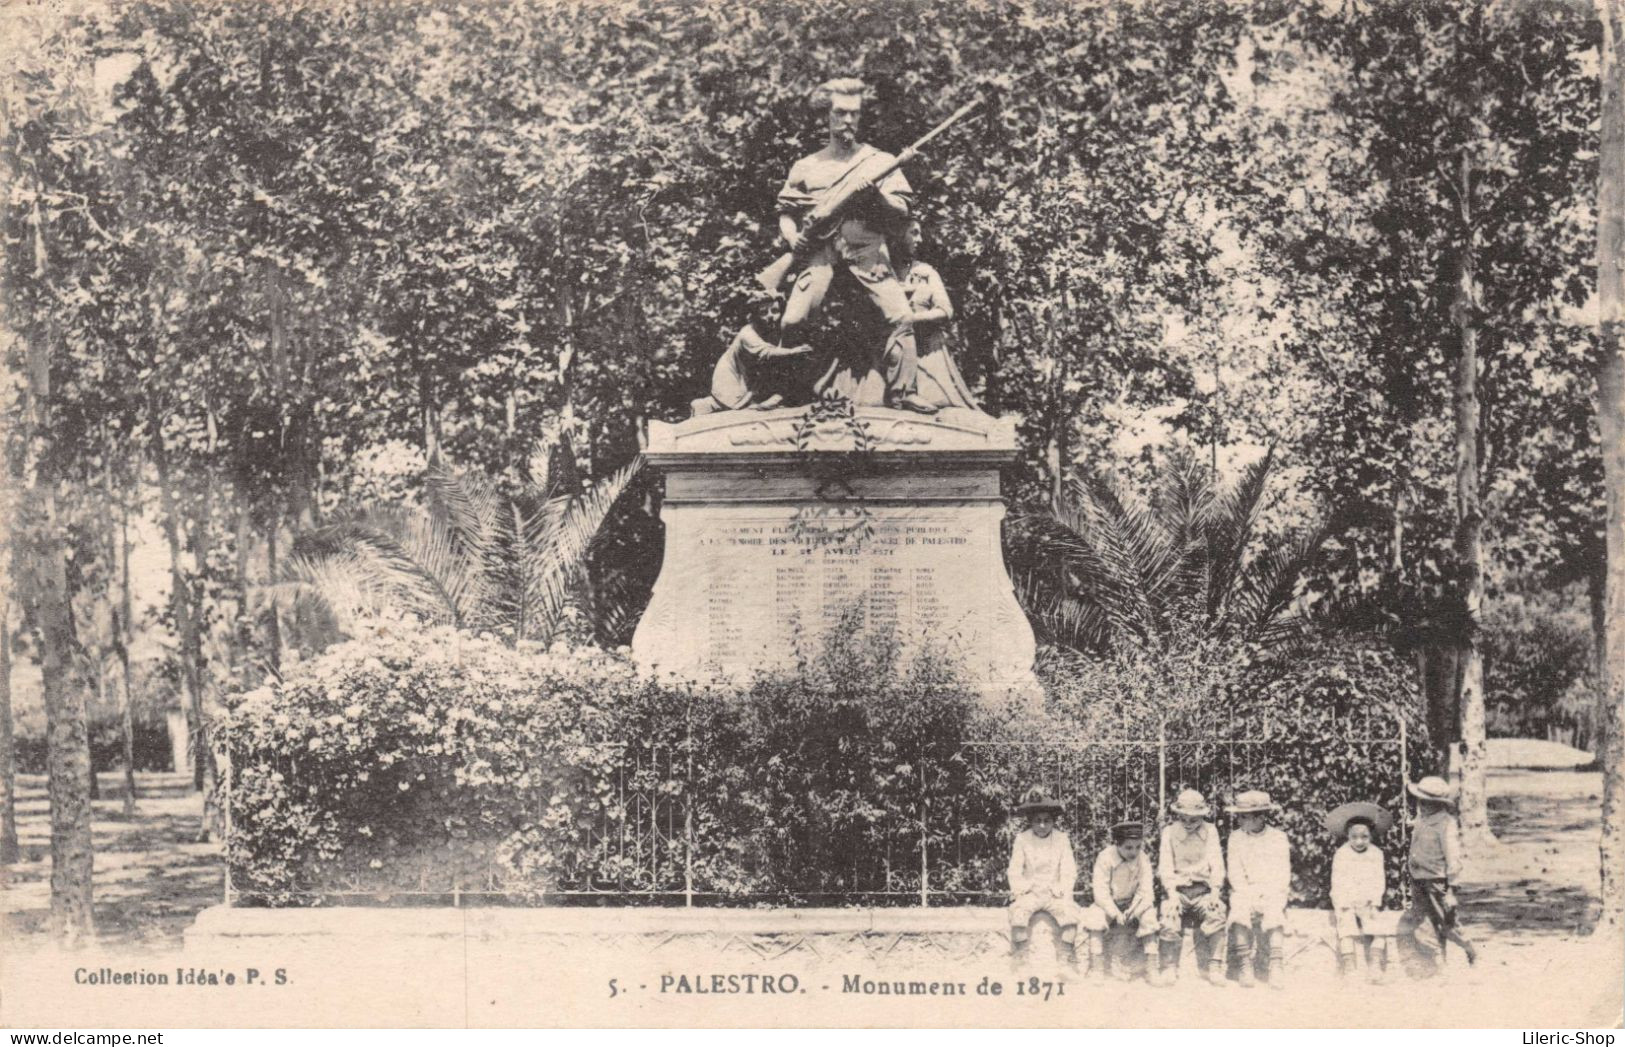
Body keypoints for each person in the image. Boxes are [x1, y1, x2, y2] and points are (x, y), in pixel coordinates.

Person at [774, 77, 937, 414]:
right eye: (840, 113)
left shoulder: (879, 161)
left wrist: (875, 197)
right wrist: (794, 240)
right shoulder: (807, 166)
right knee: (792, 321)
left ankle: (904, 391)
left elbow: (903, 210)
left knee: (901, 315)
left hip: (866, 248)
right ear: (826, 115)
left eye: (855, 114)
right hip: (820, 249)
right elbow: (785, 214)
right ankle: (785, 391)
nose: (848, 120)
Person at [692, 286, 823, 415]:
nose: (770, 316)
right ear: (755, 315)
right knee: (731, 409)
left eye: (775, 311)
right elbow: (766, 353)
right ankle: (703, 406)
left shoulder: (772, 331)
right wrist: (793, 351)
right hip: (732, 380)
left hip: (751, 380)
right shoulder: (748, 333)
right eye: (763, 312)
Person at [893, 218, 977, 410]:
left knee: (940, 403)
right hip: (894, 352)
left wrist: (913, 319)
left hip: (928, 351)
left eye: (920, 233)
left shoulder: (926, 272)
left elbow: (946, 310)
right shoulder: (883, 272)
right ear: (897, 235)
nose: (919, 239)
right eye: (913, 233)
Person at [1397, 776, 1479, 971]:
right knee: (1424, 924)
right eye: (1420, 801)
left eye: (1428, 803)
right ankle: (1438, 963)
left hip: (1438, 881)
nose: (1422, 806)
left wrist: (1451, 889)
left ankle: (1470, 948)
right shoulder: (1422, 818)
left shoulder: (1446, 825)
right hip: (1418, 879)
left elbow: (1453, 858)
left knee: (1447, 924)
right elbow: (1417, 828)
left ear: (1439, 804)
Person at [1157, 789, 1229, 987]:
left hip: (1203, 891)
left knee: (1217, 912)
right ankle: (1169, 967)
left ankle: (1214, 966)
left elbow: (1217, 864)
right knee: (1169, 914)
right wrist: (1171, 894)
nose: (1189, 824)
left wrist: (1215, 892)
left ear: (1202, 816)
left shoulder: (1210, 831)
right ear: (1178, 815)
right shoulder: (1169, 832)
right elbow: (1165, 866)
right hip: (1178, 890)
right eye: (1184, 819)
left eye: (1194, 820)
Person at [1007, 785, 1084, 971]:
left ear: (1053, 821)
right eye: (1038, 821)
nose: (1042, 825)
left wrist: (1063, 890)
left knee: (1071, 915)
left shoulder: (1061, 839)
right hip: (1031, 890)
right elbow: (1014, 869)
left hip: (1053, 890)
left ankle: (1065, 963)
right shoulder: (1022, 839)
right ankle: (1023, 962)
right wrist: (1020, 890)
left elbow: (1068, 869)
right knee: (1017, 914)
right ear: (1031, 821)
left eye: (1047, 821)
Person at [1224, 790, 1292, 989]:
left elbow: (1283, 873)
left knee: (1274, 910)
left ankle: (1276, 965)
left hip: (1272, 889)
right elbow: (1235, 873)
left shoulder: (1278, 838)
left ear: (1260, 817)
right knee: (1238, 908)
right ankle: (1245, 964)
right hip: (1245, 890)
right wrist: (1250, 895)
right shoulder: (1235, 838)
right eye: (1238, 816)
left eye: (1244, 816)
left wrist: (1267, 893)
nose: (1239, 820)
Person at [1326, 800, 1398, 983]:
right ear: (1347, 836)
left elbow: (1378, 880)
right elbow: (1337, 881)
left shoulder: (1376, 854)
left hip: (1367, 901)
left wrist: (1374, 903)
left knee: (1379, 928)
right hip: (1348, 901)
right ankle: (1350, 968)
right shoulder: (1342, 854)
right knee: (1346, 929)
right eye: (1354, 837)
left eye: (1364, 837)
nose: (1359, 841)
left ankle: (1374, 966)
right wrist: (1342, 905)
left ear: (1371, 836)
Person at [1083, 820, 1162, 984]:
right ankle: (1097, 968)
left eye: (1137, 847)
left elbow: (1146, 891)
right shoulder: (1105, 857)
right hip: (1109, 903)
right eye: (1128, 847)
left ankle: (1152, 969)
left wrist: (1135, 911)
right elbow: (1100, 891)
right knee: (1095, 918)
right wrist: (1114, 913)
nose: (1134, 852)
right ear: (1117, 844)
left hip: (1133, 904)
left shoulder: (1143, 859)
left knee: (1149, 918)